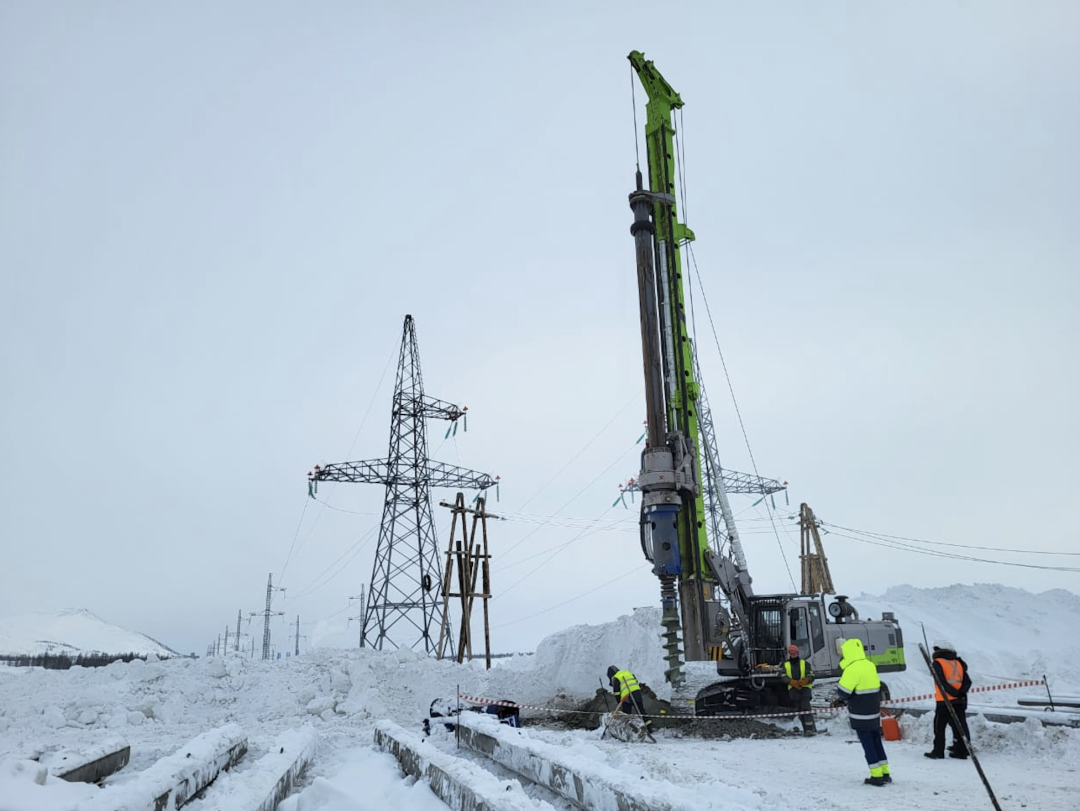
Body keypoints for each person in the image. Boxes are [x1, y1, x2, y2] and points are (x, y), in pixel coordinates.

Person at [832, 637, 892, 787]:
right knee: (877, 742)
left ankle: (876, 776)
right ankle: (885, 773)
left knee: (868, 745)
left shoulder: (851, 669)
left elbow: (843, 693)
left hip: (860, 714)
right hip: (873, 713)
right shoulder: (869, 665)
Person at [925, 640, 972, 760]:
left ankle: (938, 751)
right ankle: (962, 750)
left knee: (939, 726)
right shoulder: (958, 662)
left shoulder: (937, 663)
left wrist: (953, 693)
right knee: (960, 725)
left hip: (944, 701)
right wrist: (960, 693)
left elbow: (941, 682)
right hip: (960, 700)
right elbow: (967, 681)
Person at [607, 665, 656, 741]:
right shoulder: (627, 672)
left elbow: (616, 692)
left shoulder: (616, 677)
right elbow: (635, 680)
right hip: (637, 693)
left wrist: (619, 702)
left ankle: (628, 730)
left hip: (627, 696)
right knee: (641, 710)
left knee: (626, 714)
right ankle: (649, 727)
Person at [781, 644, 817, 736]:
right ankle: (807, 729)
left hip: (805, 689)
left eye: (794, 652)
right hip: (793, 690)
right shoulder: (786, 665)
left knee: (806, 707)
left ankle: (810, 729)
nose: (793, 654)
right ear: (789, 653)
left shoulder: (804, 663)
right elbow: (782, 676)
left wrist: (805, 681)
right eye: (791, 652)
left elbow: (811, 675)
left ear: (797, 653)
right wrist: (791, 682)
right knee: (799, 710)